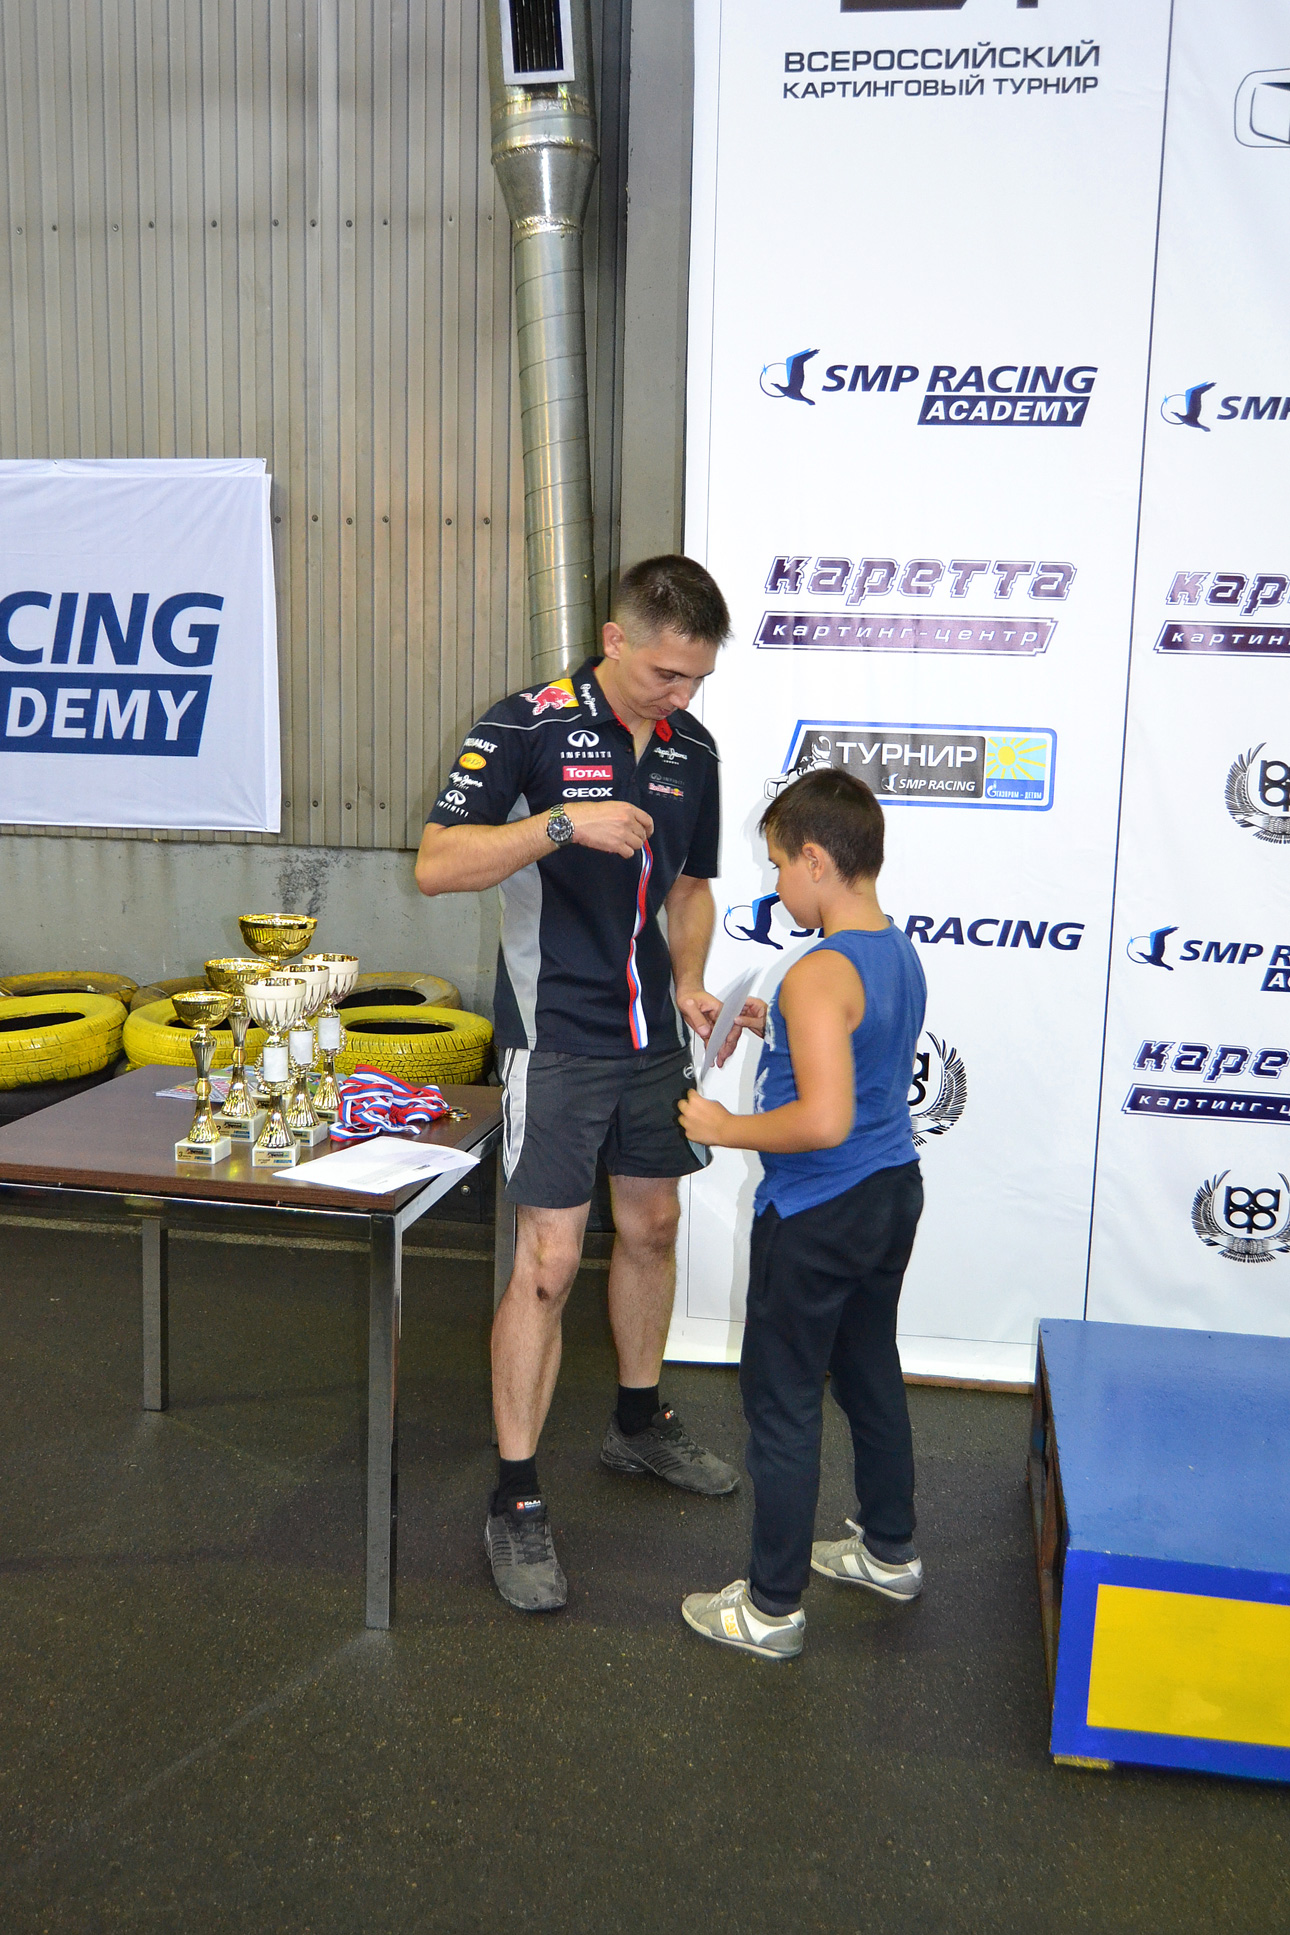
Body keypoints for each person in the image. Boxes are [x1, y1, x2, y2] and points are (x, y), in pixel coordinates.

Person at [415, 555, 746, 1614]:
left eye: (696, 678)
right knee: (550, 1263)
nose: (680, 695)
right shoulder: (525, 726)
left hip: (653, 1037)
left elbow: (690, 890)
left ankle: (638, 1421)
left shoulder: (692, 749)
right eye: (664, 673)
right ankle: (515, 1496)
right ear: (613, 639)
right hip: (554, 1032)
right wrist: (560, 823)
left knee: (653, 1226)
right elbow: (435, 864)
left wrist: (689, 979)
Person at [677, 768, 927, 1661]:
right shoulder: (894, 950)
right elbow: (858, 1052)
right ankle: (890, 1552)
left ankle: (771, 1609)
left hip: (819, 1210)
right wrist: (775, 1023)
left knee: (781, 1405)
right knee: (868, 1370)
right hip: (889, 1194)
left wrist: (723, 1126)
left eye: (780, 864)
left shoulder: (819, 973)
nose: (777, 882)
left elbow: (822, 1120)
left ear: (817, 860)